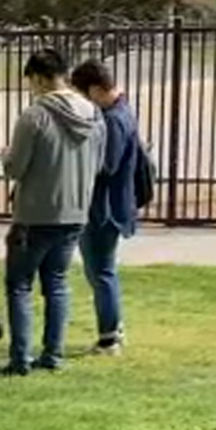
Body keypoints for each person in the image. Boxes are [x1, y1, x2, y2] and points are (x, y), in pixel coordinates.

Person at [1, 49, 104, 375]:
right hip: (74, 212)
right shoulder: (93, 113)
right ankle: (53, 354)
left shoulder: (34, 116)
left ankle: (20, 359)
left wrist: (6, 155)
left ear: (40, 78)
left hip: (34, 214)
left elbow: (15, 167)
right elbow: (98, 163)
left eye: (31, 80)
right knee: (56, 283)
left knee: (20, 286)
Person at [70, 59, 141, 357]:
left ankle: (109, 336)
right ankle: (113, 328)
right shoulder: (121, 110)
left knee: (100, 271)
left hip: (104, 208)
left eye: (84, 95)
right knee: (102, 270)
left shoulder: (112, 119)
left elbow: (107, 164)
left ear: (97, 90)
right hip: (110, 205)